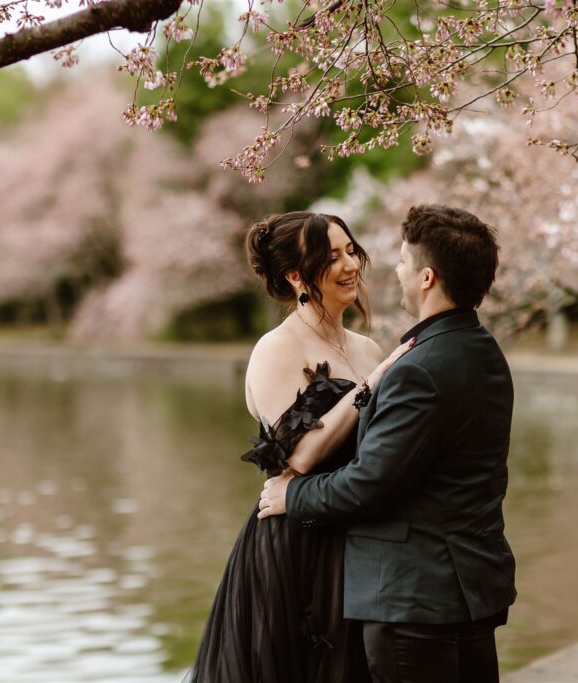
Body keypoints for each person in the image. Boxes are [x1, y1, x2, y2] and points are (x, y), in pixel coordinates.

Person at [258, 204, 516, 683]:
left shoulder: (415, 365)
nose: (385, 269)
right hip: (469, 586)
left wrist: (291, 494)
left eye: (402, 262)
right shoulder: (485, 353)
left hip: (413, 596)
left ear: (426, 278)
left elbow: (371, 482)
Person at [188, 211, 412, 683]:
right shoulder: (277, 349)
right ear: (295, 276)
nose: (350, 264)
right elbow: (301, 455)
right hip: (295, 544)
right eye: (332, 257)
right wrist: (373, 383)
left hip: (354, 535)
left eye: (351, 250)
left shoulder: (368, 348)